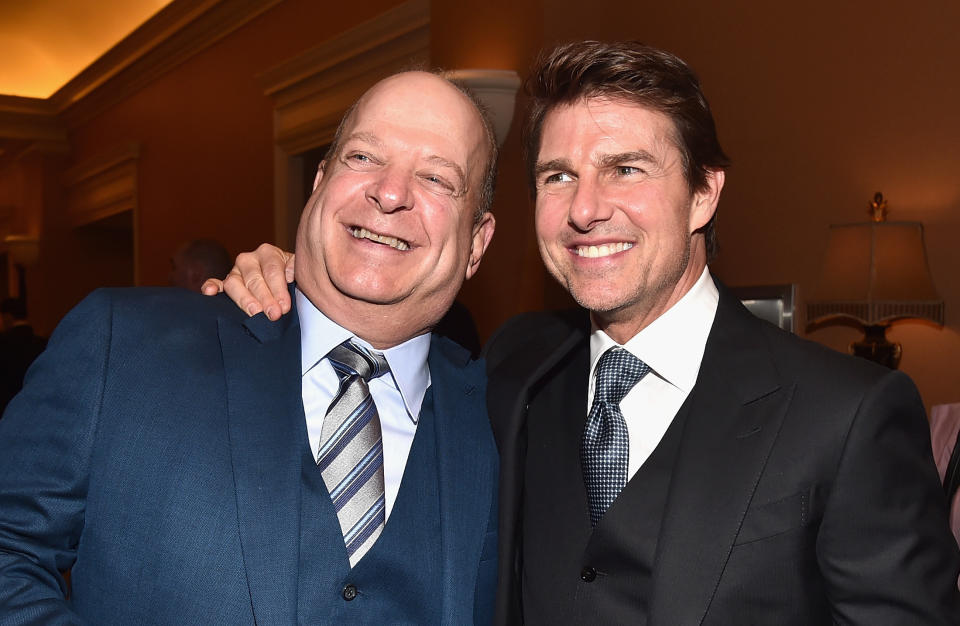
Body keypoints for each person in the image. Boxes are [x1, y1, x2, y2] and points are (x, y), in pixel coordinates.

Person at [210, 41, 960, 624]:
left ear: (704, 192)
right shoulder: (509, 370)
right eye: (557, 175)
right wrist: (297, 278)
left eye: (627, 168)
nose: (586, 209)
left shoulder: (848, 414)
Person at [0, 71, 499, 624]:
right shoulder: (124, 343)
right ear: (318, 184)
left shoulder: (508, 414)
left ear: (477, 243)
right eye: (362, 157)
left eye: (435, 177)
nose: (389, 192)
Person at [0, 297, 47, 416]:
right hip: (36, 408)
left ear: (7, 316)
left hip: (7, 409)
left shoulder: (4, 344)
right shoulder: (42, 344)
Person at [168, 237, 233, 292]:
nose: (170, 276)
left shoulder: (166, 304)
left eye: (174, 267)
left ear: (196, 273)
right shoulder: (234, 305)